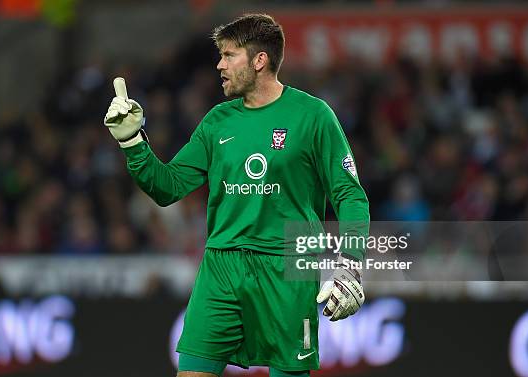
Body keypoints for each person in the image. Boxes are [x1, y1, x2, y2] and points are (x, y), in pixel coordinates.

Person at [103, 13, 369, 377]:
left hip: (287, 268)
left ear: (260, 61)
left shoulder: (313, 116)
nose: (219, 64)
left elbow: (350, 196)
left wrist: (350, 263)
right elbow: (167, 187)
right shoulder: (217, 122)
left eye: (229, 56)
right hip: (221, 267)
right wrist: (132, 141)